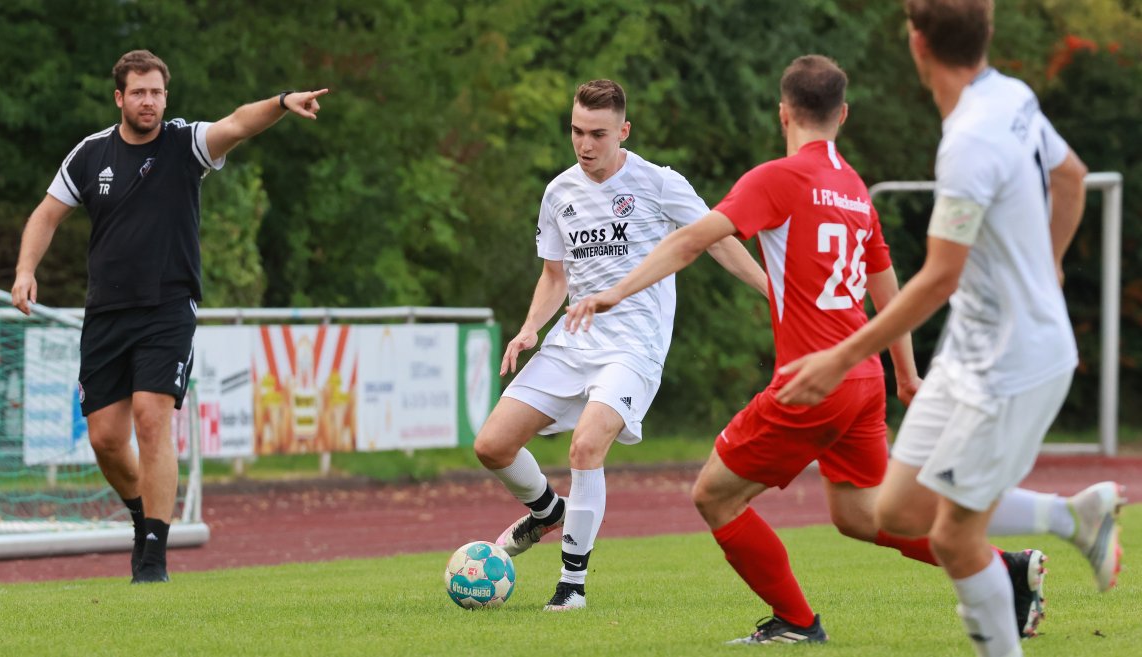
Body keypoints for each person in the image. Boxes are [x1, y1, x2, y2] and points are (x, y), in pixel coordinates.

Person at [566, 55, 1121, 646]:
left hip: (814, 381)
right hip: (864, 380)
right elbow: (889, 293)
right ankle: (1005, 568)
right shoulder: (855, 191)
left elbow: (690, 241)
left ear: (784, 112)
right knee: (863, 516)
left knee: (714, 495)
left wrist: (614, 291)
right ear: (844, 115)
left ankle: (797, 625)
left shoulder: (778, 178)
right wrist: (905, 377)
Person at [773, 3, 1122, 656]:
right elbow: (1070, 179)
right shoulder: (1011, 96)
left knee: (953, 537)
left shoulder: (969, 141)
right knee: (896, 511)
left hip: (1012, 363)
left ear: (917, 43)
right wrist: (1046, 271)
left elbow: (937, 278)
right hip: (970, 352)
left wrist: (838, 357)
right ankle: (1073, 516)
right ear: (985, 34)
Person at [10, 49, 328, 584]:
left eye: (157, 92)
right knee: (106, 440)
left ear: (166, 96)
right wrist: (24, 270)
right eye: (139, 92)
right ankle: (144, 520)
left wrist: (280, 102)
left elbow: (236, 124)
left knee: (152, 417)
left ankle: (153, 558)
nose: (149, 101)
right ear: (120, 97)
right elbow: (46, 214)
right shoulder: (90, 154)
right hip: (106, 311)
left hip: (168, 306)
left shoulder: (185, 144)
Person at [473, 79, 768, 611]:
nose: (585, 145)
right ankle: (546, 511)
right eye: (576, 132)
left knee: (586, 446)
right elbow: (554, 276)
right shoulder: (559, 191)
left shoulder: (659, 183)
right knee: (492, 446)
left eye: (598, 134)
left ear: (623, 131)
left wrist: (774, 293)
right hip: (572, 340)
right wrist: (529, 328)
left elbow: (717, 238)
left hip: (633, 346)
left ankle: (571, 586)